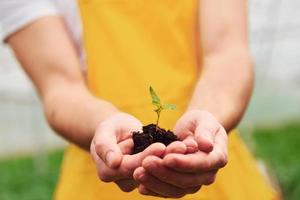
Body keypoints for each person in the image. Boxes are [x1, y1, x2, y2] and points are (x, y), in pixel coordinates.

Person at [0, 0, 279, 199]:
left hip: (208, 151)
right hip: (105, 161)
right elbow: (61, 87)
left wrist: (209, 120)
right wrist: (104, 126)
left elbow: (227, 53)